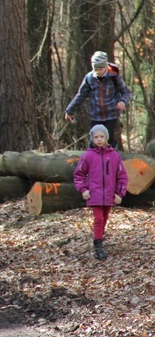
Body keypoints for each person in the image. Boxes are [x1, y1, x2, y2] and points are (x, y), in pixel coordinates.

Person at [73, 125, 128, 260]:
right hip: (95, 194)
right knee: (99, 219)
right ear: (92, 139)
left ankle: (99, 240)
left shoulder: (114, 156)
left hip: (109, 195)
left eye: (101, 136)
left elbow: (122, 176)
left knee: (104, 219)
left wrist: (119, 193)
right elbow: (79, 174)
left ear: (106, 138)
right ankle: (98, 246)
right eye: (96, 137)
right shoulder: (88, 156)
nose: (99, 139)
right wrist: (83, 189)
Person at [64, 51, 132, 149]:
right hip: (95, 114)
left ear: (105, 67)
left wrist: (122, 101)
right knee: (94, 141)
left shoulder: (114, 75)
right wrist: (69, 110)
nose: (98, 71)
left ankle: (112, 159)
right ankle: (92, 161)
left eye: (100, 68)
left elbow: (126, 92)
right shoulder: (89, 78)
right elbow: (81, 95)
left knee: (108, 141)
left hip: (111, 114)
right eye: (95, 69)